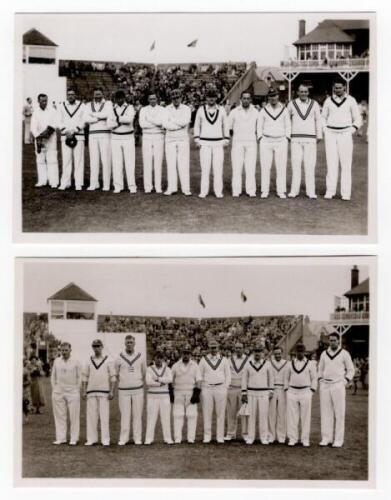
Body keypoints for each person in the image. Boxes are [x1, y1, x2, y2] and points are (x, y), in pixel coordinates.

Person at [322, 79, 361, 200]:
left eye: (340, 87)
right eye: (336, 88)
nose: (338, 90)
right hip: (331, 134)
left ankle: (345, 193)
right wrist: (325, 129)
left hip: (345, 133)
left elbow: (357, 118)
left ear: (344, 88)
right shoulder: (328, 100)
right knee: (331, 163)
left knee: (346, 164)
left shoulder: (351, 100)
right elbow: (323, 117)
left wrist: (352, 129)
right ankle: (330, 191)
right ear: (333, 88)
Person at [317, 333, 355, 447]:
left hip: (338, 385)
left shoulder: (344, 353)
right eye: (331, 340)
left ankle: (338, 440)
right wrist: (320, 379)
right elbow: (320, 369)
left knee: (339, 413)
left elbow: (351, 369)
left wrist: (344, 381)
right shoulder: (324, 353)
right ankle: (326, 438)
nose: (332, 342)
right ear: (328, 341)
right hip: (325, 385)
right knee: (325, 413)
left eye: (334, 340)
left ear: (338, 341)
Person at [287, 84, 322, 199]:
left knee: (310, 166)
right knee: (296, 165)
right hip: (295, 139)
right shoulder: (292, 104)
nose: (303, 94)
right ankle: (294, 191)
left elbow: (318, 120)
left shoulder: (314, 104)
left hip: (310, 138)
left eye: (305, 92)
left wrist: (319, 135)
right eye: (301, 91)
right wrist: (288, 136)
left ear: (308, 92)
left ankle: (310, 191)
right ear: (297, 92)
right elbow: (287, 121)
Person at [193, 88, 229, 198]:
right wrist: (197, 139)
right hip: (204, 142)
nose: (211, 99)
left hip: (218, 142)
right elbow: (197, 125)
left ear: (216, 98)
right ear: (206, 98)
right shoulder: (200, 109)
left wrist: (226, 139)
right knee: (205, 168)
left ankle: (218, 191)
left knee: (218, 168)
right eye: (209, 97)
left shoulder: (222, 109)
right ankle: (204, 191)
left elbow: (225, 125)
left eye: (213, 97)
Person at [257, 88, 291, 198]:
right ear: (268, 98)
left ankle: (281, 191)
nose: (273, 98)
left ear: (278, 96)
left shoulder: (284, 109)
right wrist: (260, 138)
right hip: (266, 141)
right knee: (265, 166)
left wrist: (287, 138)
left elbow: (288, 125)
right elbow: (259, 126)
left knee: (281, 167)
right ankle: (265, 191)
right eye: (271, 96)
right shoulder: (263, 110)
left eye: (275, 95)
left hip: (281, 140)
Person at [81, 339, 116, 446]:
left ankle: (105, 440)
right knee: (91, 417)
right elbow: (84, 377)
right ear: (92, 347)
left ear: (102, 347)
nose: (96, 348)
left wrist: (112, 391)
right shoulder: (88, 360)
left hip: (104, 392)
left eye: (98, 346)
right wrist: (83, 391)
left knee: (104, 417)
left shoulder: (109, 360)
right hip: (91, 392)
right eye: (94, 346)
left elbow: (113, 377)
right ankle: (91, 439)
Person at [284, 342, 317, 447]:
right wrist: (286, 390)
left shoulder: (310, 364)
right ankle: (293, 439)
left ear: (304, 352)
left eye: (301, 351)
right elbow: (286, 378)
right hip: (292, 392)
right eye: (298, 351)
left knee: (305, 417)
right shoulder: (290, 364)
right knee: (292, 417)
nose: (299, 353)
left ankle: (305, 439)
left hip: (305, 392)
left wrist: (312, 390)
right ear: (295, 352)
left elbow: (314, 378)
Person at [115, 335, 146, 445]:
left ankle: (137, 438)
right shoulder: (119, 357)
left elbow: (143, 372)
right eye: (127, 342)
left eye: (131, 342)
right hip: (123, 390)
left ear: (134, 343)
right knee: (125, 414)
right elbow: (117, 373)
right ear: (125, 343)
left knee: (137, 414)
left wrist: (135, 380)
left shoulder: (140, 357)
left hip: (138, 389)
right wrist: (125, 381)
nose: (129, 344)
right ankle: (124, 438)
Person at [198, 339, 231, 443]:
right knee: (207, 413)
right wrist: (203, 388)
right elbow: (199, 375)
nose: (213, 349)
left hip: (220, 388)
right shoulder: (203, 360)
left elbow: (228, 375)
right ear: (209, 348)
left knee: (220, 413)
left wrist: (225, 387)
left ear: (218, 348)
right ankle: (207, 436)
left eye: (215, 347)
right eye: (211, 347)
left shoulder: (224, 360)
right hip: (207, 388)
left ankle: (220, 437)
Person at [241, 345, 274, 445]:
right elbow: (244, 379)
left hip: (264, 393)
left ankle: (264, 437)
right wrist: (244, 393)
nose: (257, 353)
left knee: (263, 416)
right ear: (253, 353)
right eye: (256, 351)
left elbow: (271, 378)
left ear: (262, 353)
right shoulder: (248, 364)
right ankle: (251, 437)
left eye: (259, 351)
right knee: (251, 416)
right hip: (251, 393)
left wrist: (271, 390)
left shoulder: (267, 364)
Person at [228, 91, 259, 197]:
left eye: (248, 98)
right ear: (240, 99)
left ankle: (251, 190)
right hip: (238, 142)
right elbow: (229, 127)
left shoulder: (256, 112)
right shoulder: (234, 111)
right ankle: (236, 190)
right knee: (237, 167)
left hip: (251, 142)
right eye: (244, 98)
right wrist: (236, 137)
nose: (246, 100)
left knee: (250, 167)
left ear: (251, 100)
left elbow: (258, 128)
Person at [162, 89, 192, 196]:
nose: (176, 100)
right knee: (171, 163)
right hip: (170, 139)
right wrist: (177, 125)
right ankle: (171, 188)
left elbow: (186, 121)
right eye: (174, 98)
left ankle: (186, 188)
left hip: (182, 138)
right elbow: (165, 124)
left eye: (178, 97)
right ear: (171, 99)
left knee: (183, 163)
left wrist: (173, 121)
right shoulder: (166, 109)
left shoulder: (186, 108)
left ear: (181, 97)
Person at [50, 342, 81, 445]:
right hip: (59, 391)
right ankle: (61, 437)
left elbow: (79, 377)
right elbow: (53, 376)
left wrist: (77, 389)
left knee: (74, 416)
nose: (64, 352)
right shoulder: (57, 361)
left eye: (66, 350)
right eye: (62, 350)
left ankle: (74, 438)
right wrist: (55, 388)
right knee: (60, 415)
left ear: (70, 350)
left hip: (72, 391)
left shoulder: (76, 361)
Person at [171, 344, 202, 444]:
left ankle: (191, 438)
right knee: (177, 415)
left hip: (191, 392)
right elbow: (170, 380)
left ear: (190, 354)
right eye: (184, 353)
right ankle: (177, 438)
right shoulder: (175, 365)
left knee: (192, 415)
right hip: (178, 393)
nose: (186, 355)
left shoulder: (195, 365)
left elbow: (199, 380)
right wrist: (171, 393)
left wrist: (196, 393)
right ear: (181, 354)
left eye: (188, 353)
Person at [107, 89, 136, 194]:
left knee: (129, 162)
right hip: (115, 138)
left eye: (121, 98)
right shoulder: (112, 109)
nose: (119, 100)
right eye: (117, 98)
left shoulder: (130, 107)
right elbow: (109, 125)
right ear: (115, 99)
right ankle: (118, 186)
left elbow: (129, 120)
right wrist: (120, 120)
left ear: (124, 98)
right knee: (117, 162)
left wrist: (116, 119)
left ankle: (132, 186)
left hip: (128, 137)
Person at [84, 87, 113, 191]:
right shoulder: (88, 105)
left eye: (99, 94)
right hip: (92, 134)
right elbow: (85, 118)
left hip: (105, 134)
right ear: (93, 95)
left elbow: (108, 114)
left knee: (106, 160)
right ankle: (94, 184)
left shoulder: (108, 103)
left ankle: (106, 184)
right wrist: (99, 118)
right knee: (93, 160)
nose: (97, 96)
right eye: (96, 94)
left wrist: (93, 116)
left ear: (103, 94)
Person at [58, 88, 86, 191]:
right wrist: (66, 131)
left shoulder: (82, 106)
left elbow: (84, 120)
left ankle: (78, 183)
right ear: (67, 95)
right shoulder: (61, 106)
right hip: (66, 136)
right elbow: (58, 120)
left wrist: (74, 130)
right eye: (69, 94)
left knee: (78, 160)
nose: (70, 96)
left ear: (76, 95)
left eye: (72, 94)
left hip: (78, 136)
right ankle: (65, 183)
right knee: (66, 160)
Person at [30, 93, 59, 188]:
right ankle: (42, 181)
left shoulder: (52, 110)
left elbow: (54, 123)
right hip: (39, 139)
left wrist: (47, 133)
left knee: (52, 160)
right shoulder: (35, 112)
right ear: (38, 101)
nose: (44, 102)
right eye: (42, 101)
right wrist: (38, 137)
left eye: (46, 100)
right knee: (40, 160)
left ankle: (53, 181)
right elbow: (33, 127)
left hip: (50, 138)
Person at [145, 351, 174, 444]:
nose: (158, 360)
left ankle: (168, 438)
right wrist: (161, 383)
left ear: (163, 359)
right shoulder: (149, 369)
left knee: (165, 418)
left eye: (160, 358)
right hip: (152, 396)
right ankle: (148, 439)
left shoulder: (167, 369)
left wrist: (157, 379)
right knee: (151, 418)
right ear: (154, 359)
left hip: (164, 396)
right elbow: (148, 382)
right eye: (156, 357)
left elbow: (170, 379)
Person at [139, 93, 165, 193]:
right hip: (147, 136)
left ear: (157, 99)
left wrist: (149, 120)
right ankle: (148, 187)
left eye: (154, 98)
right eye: (150, 99)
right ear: (148, 100)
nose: (152, 100)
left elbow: (162, 123)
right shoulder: (143, 109)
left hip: (159, 136)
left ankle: (158, 187)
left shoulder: (162, 109)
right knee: (147, 161)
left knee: (158, 162)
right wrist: (156, 123)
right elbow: (142, 124)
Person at [224, 341, 249, 441]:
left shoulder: (248, 360)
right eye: (237, 348)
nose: (238, 349)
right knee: (231, 412)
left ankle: (245, 434)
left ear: (243, 349)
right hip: (232, 388)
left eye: (240, 348)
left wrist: (246, 390)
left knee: (244, 412)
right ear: (234, 349)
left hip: (243, 389)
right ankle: (231, 433)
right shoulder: (229, 360)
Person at [268, 346, 289, 444]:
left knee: (282, 414)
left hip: (282, 389)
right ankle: (271, 436)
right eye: (276, 353)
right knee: (271, 414)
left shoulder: (287, 363)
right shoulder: (269, 363)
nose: (277, 355)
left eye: (279, 353)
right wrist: (270, 389)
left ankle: (281, 436)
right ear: (273, 354)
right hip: (272, 389)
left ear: (282, 353)